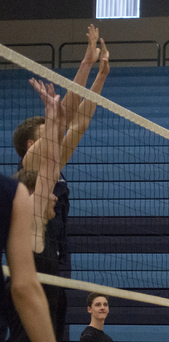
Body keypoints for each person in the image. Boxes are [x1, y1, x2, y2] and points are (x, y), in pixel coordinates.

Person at [13, 24, 110, 277]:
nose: (55, 132)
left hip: (57, 250)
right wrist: (86, 63)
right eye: (47, 131)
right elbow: (65, 118)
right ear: (31, 145)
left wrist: (101, 77)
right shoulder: (29, 163)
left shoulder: (54, 164)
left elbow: (79, 124)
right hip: (33, 253)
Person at [5, 79, 72, 342]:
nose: (54, 198)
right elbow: (45, 166)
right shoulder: (28, 219)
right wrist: (52, 115)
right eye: (47, 194)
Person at [0, 173, 75, 342]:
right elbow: (24, 288)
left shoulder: (48, 234)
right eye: (49, 190)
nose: (54, 196)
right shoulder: (30, 228)